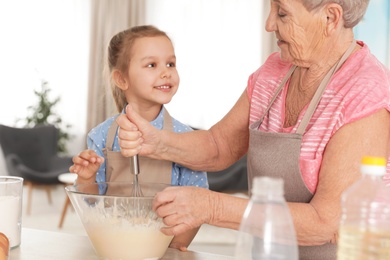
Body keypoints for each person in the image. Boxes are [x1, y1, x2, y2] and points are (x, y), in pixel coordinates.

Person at [115, 1, 390, 259]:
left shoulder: (365, 92)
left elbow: (326, 222)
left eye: (282, 13)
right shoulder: (276, 70)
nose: (270, 24)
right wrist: (154, 142)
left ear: (330, 18)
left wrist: (210, 207)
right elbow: (219, 145)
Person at [69, 25, 209, 251]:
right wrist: (87, 178)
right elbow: (93, 203)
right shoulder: (101, 136)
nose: (166, 72)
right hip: (115, 245)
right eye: (152, 65)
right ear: (122, 79)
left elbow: (199, 200)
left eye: (170, 64)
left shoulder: (185, 138)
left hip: (163, 246)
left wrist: (172, 247)